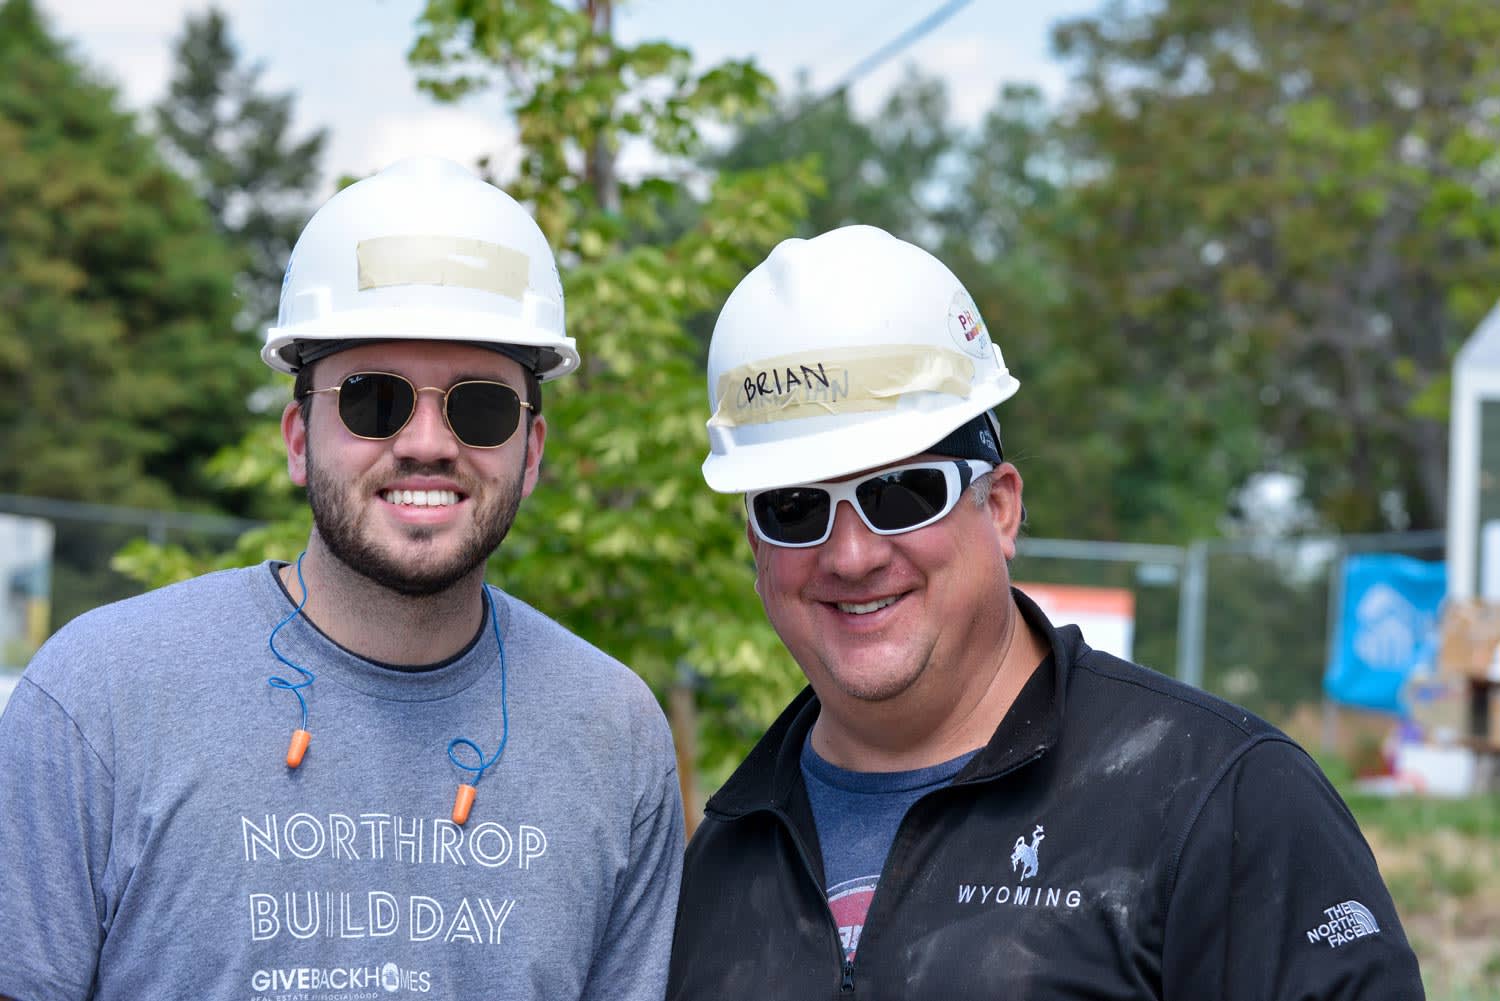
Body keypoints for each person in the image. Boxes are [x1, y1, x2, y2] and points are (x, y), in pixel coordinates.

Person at [666, 225, 1424, 999]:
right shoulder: (717, 862)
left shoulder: (1218, 803)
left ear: (999, 507)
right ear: (757, 546)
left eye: (901, 494)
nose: (852, 555)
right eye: (795, 510)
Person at [0, 157, 683, 1001]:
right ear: (297, 437)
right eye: (372, 399)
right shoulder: (99, 698)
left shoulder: (614, 734)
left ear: (531, 451)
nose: (428, 441)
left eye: (479, 406)